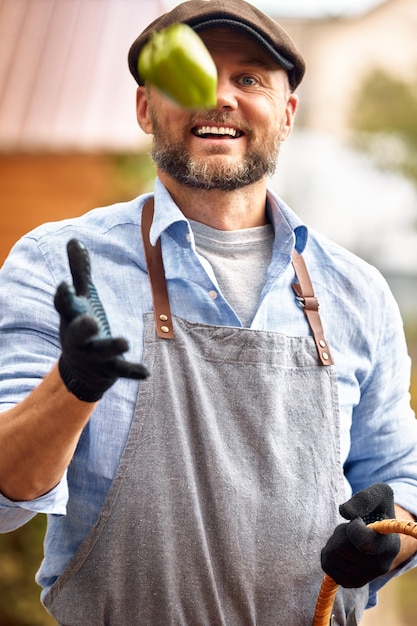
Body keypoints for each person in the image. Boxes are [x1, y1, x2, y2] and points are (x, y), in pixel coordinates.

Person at [0, 0, 416, 624]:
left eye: (249, 79)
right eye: (189, 76)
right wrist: (72, 384)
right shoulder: (60, 262)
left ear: (287, 113)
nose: (219, 99)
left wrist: (392, 538)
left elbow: (401, 476)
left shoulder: (357, 291)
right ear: (145, 107)